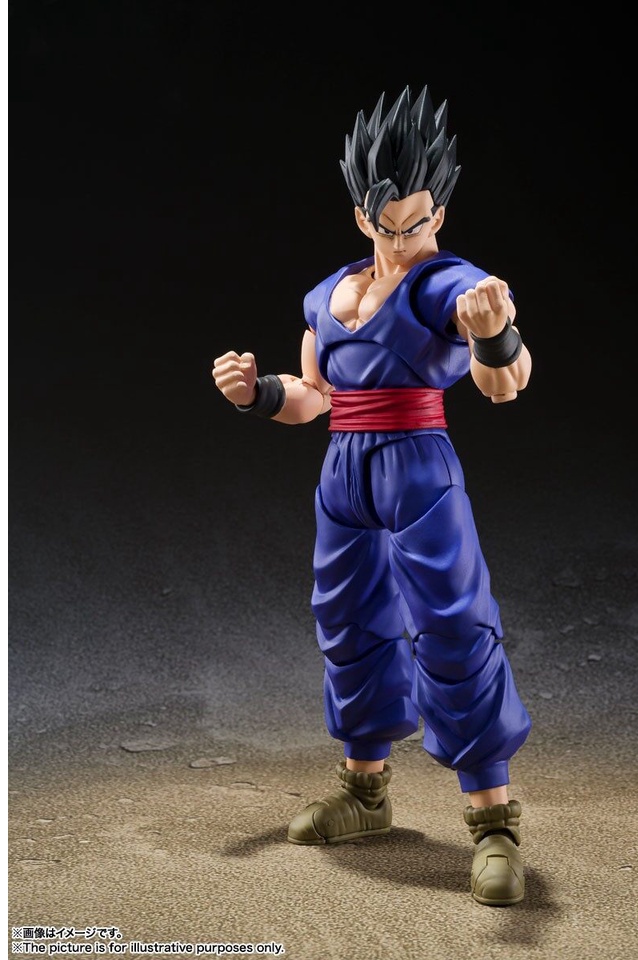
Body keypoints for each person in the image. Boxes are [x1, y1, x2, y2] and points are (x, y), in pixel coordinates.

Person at [212, 86, 533, 906]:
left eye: (416, 225)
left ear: (438, 214)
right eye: (388, 226)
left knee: (454, 627)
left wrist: (494, 331)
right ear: (363, 217)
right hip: (344, 471)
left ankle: (494, 824)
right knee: (349, 623)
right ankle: (364, 793)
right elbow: (315, 397)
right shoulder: (330, 294)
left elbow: (505, 386)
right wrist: (256, 393)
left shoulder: (449, 285)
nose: (402, 241)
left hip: (418, 468)